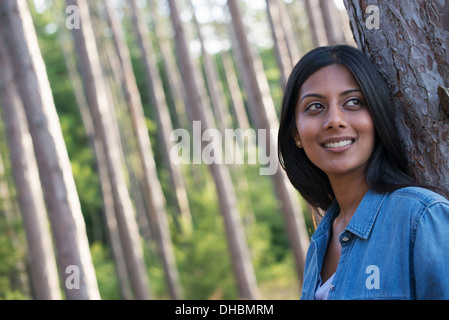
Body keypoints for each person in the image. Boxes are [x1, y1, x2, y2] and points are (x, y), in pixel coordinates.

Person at [278, 45, 449, 300]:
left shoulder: (422, 218)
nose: (334, 120)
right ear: (296, 134)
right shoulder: (320, 243)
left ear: (376, 117)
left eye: (354, 102)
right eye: (315, 106)